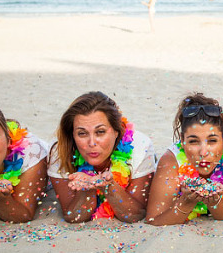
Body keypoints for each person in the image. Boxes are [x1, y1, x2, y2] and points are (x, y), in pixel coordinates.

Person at [146, 94, 223, 225]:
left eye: (212, 141)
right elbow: (154, 219)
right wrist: (186, 203)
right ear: (182, 141)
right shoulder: (170, 160)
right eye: (193, 141)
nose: (203, 152)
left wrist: (215, 202)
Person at [48, 91, 157, 223]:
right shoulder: (60, 153)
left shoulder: (140, 147)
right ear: (72, 135)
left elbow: (134, 215)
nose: (92, 143)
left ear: (117, 131)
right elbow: (73, 217)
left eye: (100, 132)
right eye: (82, 133)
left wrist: (108, 186)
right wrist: (87, 188)